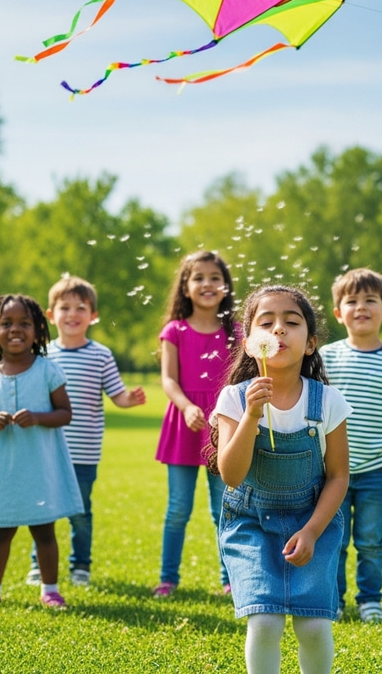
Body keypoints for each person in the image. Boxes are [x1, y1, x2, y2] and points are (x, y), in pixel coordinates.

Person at [212, 285, 351, 674]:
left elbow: (339, 476)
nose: (279, 331)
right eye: (267, 323)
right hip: (251, 523)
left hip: (312, 521)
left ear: (310, 344)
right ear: (250, 341)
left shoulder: (327, 401)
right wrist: (252, 417)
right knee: (265, 621)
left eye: (291, 323)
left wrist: (311, 531)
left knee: (313, 624)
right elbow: (232, 474)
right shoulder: (235, 399)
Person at [25, 276, 146, 588]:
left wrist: (129, 400)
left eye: (81, 307)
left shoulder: (101, 355)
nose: (73, 313)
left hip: (84, 451)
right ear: (51, 316)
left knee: (80, 512)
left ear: (93, 315)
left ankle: (80, 566)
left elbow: (116, 394)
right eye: (64, 307)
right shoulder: (42, 355)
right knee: (43, 509)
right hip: (46, 447)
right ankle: (39, 564)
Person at [320, 267, 382, 623]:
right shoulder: (326, 358)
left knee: (371, 541)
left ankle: (370, 600)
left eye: (370, 301)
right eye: (352, 301)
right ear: (338, 313)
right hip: (331, 471)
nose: (361, 307)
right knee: (333, 540)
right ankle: (333, 599)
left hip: (377, 468)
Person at [0, 294, 84, 609]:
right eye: (6, 323)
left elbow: (65, 413)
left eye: (24, 323)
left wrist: (38, 417)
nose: (15, 330)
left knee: (44, 530)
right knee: (1, 531)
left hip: (41, 468)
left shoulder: (48, 370)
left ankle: (50, 589)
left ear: (37, 329)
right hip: (5, 471)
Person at [153, 250, 240, 598]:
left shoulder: (236, 331)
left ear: (225, 286)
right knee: (178, 509)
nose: (207, 284)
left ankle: (231, 578)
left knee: (225, 508)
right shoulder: (174, 330)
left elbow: (241, 376)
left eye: (215, 278)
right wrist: (187, 407)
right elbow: (168, 380)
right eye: (198, 277)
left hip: (223, 427)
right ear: (185, 287)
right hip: (184, 425)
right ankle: (168, 578)